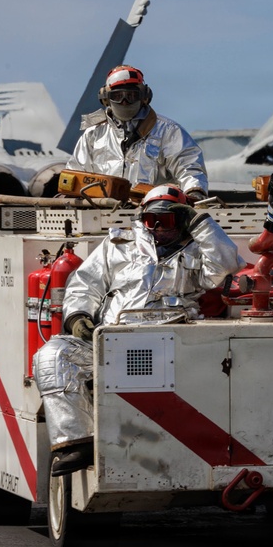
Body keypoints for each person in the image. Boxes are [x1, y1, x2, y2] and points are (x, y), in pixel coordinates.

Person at [33, 184, 247, 476]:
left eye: (167, 220)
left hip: (175, 343)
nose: (158, 227)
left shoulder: (198, 249)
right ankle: (76, 442)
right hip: (112, 339)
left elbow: (228, 265)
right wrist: (78, 317)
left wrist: (201, 222)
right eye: (151, 220)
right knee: (52, 355)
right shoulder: (119, 244)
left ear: (182, 219)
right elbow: (85, 283)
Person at [65, 65, 209, 201]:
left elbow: (189, 167)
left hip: (153, 216)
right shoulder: (93, 134)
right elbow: (75, 175)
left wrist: (194, 192)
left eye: (132, 95)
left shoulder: (168, 131)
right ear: (106, 98)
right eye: (118, 96)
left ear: (144, 96)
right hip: (101, 213)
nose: (125, 102)